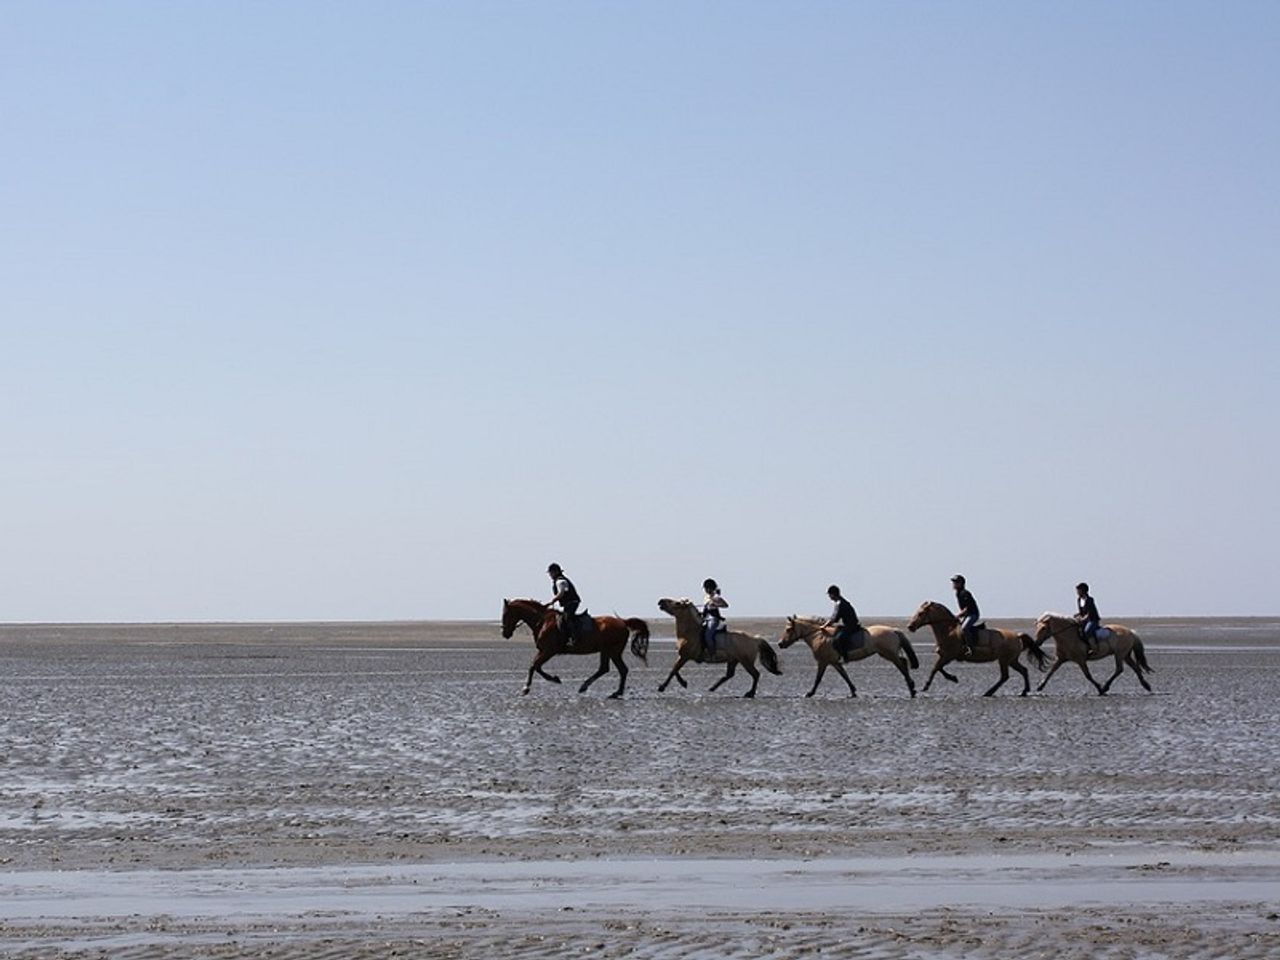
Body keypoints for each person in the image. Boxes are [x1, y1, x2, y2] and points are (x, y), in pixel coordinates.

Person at [547, 563, 583, 649]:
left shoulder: (560, 581)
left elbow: (561, 593)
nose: (550, 575)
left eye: (551, 573)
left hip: (572, 602)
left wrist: (553, 600)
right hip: (568, 603)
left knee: (567, 618)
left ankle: (574, 639)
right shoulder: (559, 581)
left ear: (555, 572)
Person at [824, 584, 863, 659]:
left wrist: (825, 625)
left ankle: (845, 656)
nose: (829, 597)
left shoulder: (840, 603)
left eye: (829, 595)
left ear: (833, 594)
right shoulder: (840, 602)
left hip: (851, 625)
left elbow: (834, 618)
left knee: (838, 639)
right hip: (847, 624)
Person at [951, 574, 980, 657]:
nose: (954, 584)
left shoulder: (965, 593)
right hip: (966, 615)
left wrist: (958, 616)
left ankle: (971, 648)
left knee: (964, 628)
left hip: (973, 614)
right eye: (954, 582)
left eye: (956, 582)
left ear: (961, 584)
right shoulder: (958, 593)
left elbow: (967, 609)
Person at [701, 578, 728, 659]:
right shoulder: (706, 597)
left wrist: (716, 605)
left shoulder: (716, 597)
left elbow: (726, 605)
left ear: (709, 588)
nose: (705, 590)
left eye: (706, 588)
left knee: (708, 635)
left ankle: (713, 653)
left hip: (713, 619)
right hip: (705, 618)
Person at [1075, 582, 1101, 651]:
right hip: (1085, 620)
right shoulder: (1079, 600)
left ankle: (1093, 647)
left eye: (1078, 591)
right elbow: (1082, 612)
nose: (1077, 592)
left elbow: (1089, 613)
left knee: (1087, 631)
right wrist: (1077, 615)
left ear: (1083, 591)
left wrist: (1083, 619)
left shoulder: (1089, 600)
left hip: (1092, 620)